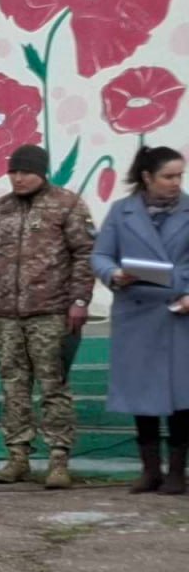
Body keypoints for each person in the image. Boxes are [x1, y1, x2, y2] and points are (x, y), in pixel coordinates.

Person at [0, 144, 95, 489]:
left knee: (54, 386)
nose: (18, 178)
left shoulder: (67, 204)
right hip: (7, 316)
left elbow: (85, 254)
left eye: (26, 172)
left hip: (51, 313)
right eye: (14, 172)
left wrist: (79, 300)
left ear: (42, 172)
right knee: (14, 387)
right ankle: (17, 457)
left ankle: (58, 459)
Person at [91, 145, 189, 494]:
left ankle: (177, 471)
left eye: (179, 175)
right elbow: (100, 255)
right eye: (168, 176)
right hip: (136, 313)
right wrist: (115, 274)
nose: (176, 182)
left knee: (182, 394)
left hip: (179, 312)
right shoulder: (122, 211)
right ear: (147, 177)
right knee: (141, 393)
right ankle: (150, 470)